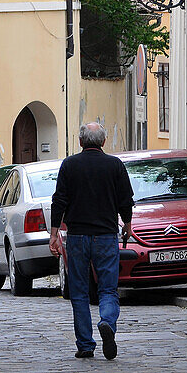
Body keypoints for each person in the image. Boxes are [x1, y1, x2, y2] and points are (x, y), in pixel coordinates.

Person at [49, 122, 134, 360]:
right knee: (108, 289)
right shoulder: (115, 165)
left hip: (77, 237)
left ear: (80, 141)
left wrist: (54, 233)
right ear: (104, 142)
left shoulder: (69, 165)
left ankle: (85, 345)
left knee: (79, 293)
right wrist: (127, 224)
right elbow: (125, 199)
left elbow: (60, 201)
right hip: (106, 236)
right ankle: (106, 321)